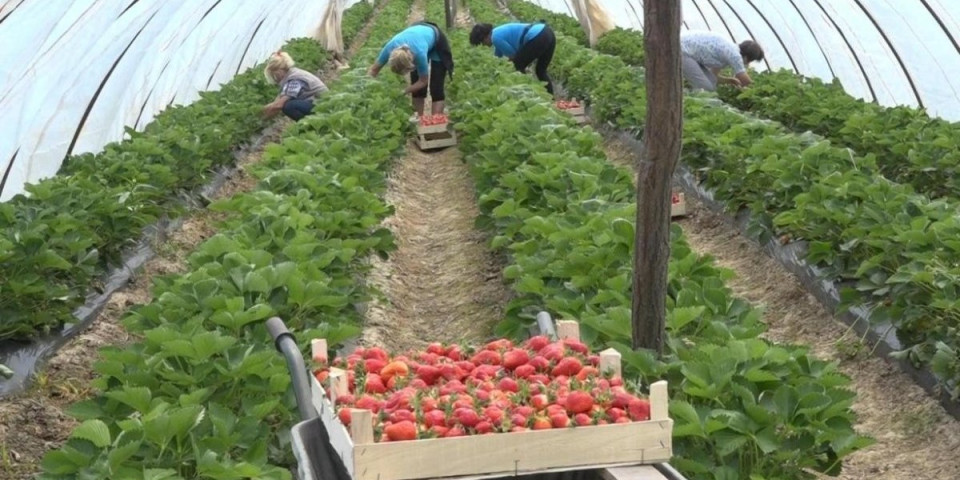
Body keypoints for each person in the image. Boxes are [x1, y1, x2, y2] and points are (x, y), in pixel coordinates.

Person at [368, 21, 454, 120]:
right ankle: (420, 121)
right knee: (417, 88)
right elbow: (373, 70)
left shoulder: (419, 54)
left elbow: (423, 81)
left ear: (411, 62)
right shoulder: (389, 48)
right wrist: (369, 88)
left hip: (436, 41)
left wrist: (404, 91)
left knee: (436, 87)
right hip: (417, 35)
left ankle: (436, 124)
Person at [469, 22, 556, 95]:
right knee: (541, 70)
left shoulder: (495, 38)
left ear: (485, 36)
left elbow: (513, 56)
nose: (484, 45)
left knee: (518, 65)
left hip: (538, 36)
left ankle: (527, 93)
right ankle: (551, 99)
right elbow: (497, 58)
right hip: (547, 32)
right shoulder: (496, 33)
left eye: (482, 42)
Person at [679, 31, 764, 91]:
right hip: (682, 51)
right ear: (746, 57)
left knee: (712, 82)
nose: (748, 64)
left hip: (687, 51)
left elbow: (714, 77)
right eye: (750, 61)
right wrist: (761, 91)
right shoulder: (734, 54)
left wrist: (730, 80)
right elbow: (746, 81)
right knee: (706, 88)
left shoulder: (727, 52)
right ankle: (688, 102)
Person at [262, 51, 328, 121]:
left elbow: (279, 105)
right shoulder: (291, 74)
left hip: (323, 105)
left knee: (289, 106)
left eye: (273, 75)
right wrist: (262, 111)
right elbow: (277, 101)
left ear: (278, 72)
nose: (275, 78)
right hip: (318, 102)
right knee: (288, 104)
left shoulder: (294, 79)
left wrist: (260, 114)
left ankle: (310, 124)